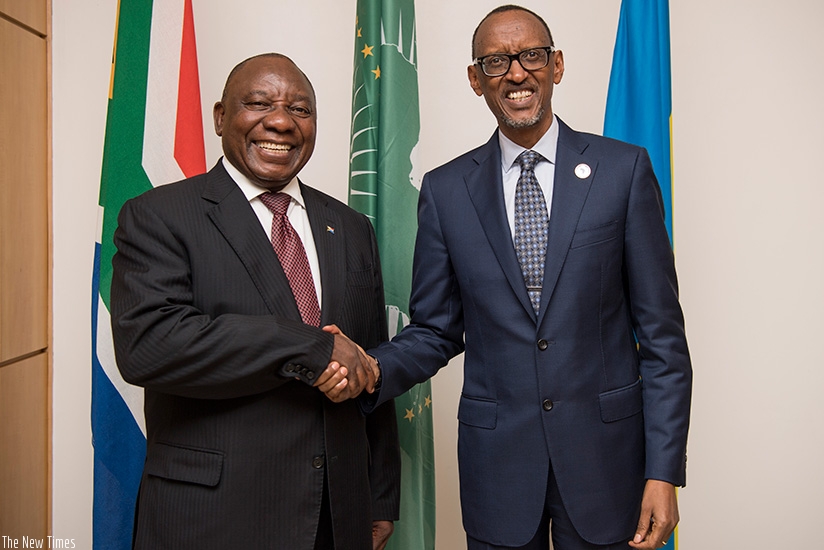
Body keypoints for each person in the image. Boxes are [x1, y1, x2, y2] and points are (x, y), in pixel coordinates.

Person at [321, 5, 692, 550]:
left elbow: (661, 338)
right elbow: (436, 330)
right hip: (498, 472)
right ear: (476, 79)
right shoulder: (446, 192)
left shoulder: (624, 171)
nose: (516, 73)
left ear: (556, 65)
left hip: (607, 467)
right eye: (496, 62)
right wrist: (371, 368)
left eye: (531, 56)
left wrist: (663, 471)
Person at [110, 53, 400, 550]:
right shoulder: (159, 216)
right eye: (260, 103)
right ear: (221, 116)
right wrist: (307, 345)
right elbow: (148, 346)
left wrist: (379, 494)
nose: (282, 121)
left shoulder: (351, 228)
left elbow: (368, 360)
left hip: (338, 513)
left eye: (300, 110)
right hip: (214, 515)